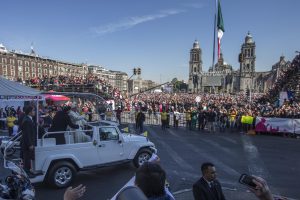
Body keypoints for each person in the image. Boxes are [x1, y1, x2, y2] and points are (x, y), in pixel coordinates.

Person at [20, 106, 36, 176]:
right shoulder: (27, 120)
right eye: (33, 110)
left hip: (28, 142)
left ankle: (28, 171)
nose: (34, 112)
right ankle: (27, 173)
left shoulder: (29, 119)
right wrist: (30, 144)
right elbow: (27, 134)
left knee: (28, 158)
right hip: (27, 144)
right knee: (27, 158)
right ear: (30, 112)